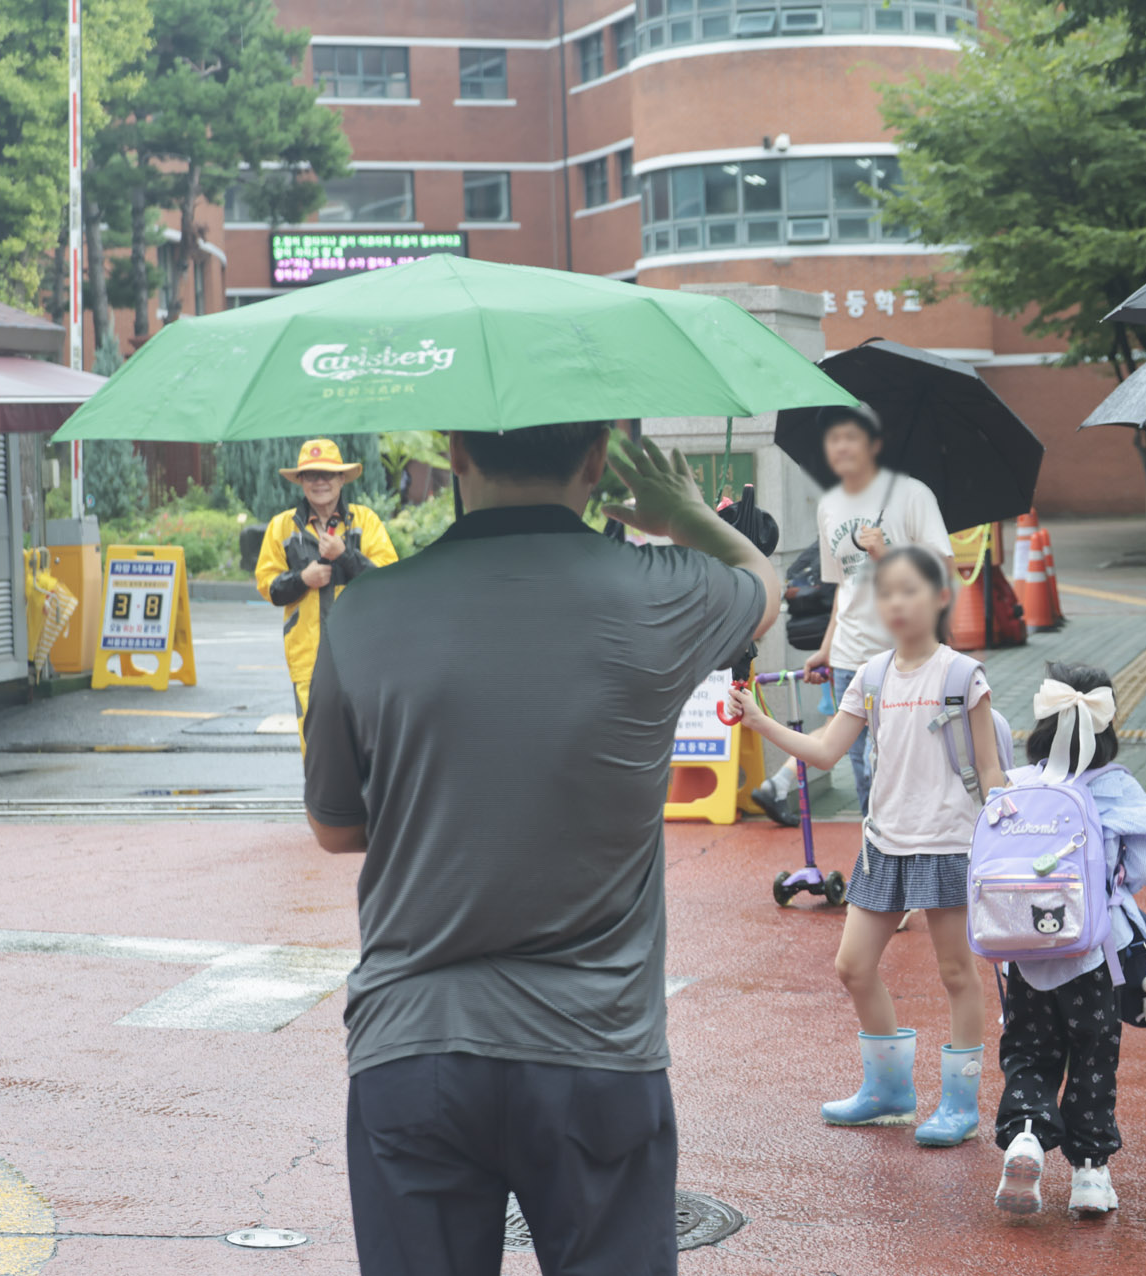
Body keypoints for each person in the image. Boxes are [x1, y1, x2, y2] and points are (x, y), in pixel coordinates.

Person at [301, 426, 778, 1274]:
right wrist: (684, 515)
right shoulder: (660, 590)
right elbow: (761, 585)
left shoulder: (365, 609)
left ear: (456, 454)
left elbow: (336, 827)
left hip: (413, 1042)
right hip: (596, 1050)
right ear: (595, 461)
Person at [729, 546, 1009, 1147]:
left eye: (909, 590)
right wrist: (759, 721)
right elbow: (826, 750)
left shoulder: (962, 676)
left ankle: (959, 1105)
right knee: (853, 966)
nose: (896, 604)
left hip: (949, 844)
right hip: (884, 843)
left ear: (939, 598)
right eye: (886, 594)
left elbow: (990, 769)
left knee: (957, 973)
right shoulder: (872, 676)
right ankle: (889, 1093)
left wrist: (1007, 836)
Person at [991, 662, 1146, 1218]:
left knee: (1029, 1050)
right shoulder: (1118, 788)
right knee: (1092, 1055)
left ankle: (1025, 1136)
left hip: (1025, 952)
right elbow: (1144, 866)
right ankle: (1090, 1174)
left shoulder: (1018, 784)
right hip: (1092, 952)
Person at [751, 404, 953, 821]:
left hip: (906, 659)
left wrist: (888, 552)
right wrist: (828, 647)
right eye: (833, 438)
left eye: (850, 436)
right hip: (849, 660)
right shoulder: (830, 505)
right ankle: (875, 853)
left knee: (911, 767)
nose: (841, 446)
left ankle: (908, 849)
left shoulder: (913, 495)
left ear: (874, 443)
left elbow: (943, 571)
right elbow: (844, 584)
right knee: (864, 773)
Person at [252, 439, 397, 748]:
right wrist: (303, 578)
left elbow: (386, 581)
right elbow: (269, 587)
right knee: (316, 746)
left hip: (361, 654)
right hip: (308, 659)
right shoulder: (281, 528)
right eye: (311, 475)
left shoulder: (366, 522)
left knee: (364, 743)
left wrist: (345, 555)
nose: (320, 481)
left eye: (328, 474)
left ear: (341, 479)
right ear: (301, 481)